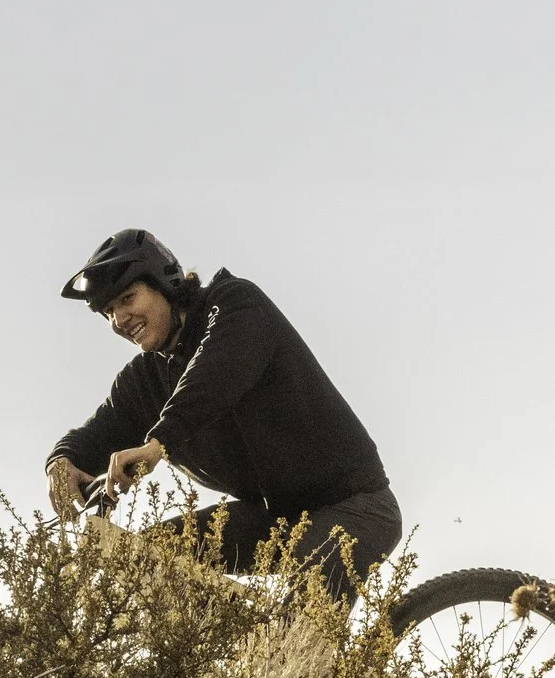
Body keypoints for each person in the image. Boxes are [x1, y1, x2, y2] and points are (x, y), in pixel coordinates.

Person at [46, 229, 402, 601]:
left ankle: (290, 653)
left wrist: (158, 444)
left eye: (127, 298)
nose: (119, 319)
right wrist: (62, 462)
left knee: (296, 636)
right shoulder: (144, 379)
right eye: (108, 312)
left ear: (163, 283)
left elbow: (215, 374)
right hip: (272, 518)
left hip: (354, 507)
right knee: (150, 560)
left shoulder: (235, 305)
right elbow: (101, 428)